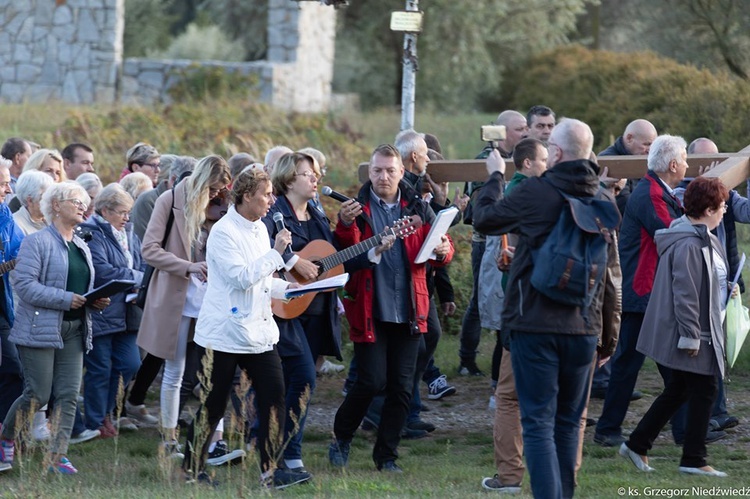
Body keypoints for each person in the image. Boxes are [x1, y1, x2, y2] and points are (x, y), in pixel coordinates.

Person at [473, 118, 620, 499]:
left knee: (537, 422)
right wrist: (608, 337)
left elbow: (486, 220)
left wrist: (494, 178)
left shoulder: (536, 193)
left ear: (555, 153)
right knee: (570, 424)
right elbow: (608, 277)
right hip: (584, 329)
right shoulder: (603, 201)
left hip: (534, 324)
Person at [181, 168, 310, 489]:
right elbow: (241, 277)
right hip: (224, 332)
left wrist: (289, 290)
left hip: (257, 332)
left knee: (274, 397)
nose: (271, 200)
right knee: (213, 404)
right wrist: (277, 254)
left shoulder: (260, 228)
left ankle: (270, 470)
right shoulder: (223, 232)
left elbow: (262, 279)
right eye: (266, 194)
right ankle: (191, 470)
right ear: (246, 195)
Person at [328, 144, 454, 473]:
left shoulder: (416, 205)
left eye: (389, 171)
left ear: (401, 173)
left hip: (411, 308)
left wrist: (443, 249)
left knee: (402, 387)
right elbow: (345, 249)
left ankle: (386, 455)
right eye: (377, 171)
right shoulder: (357, 207)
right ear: (369, 173)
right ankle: (341, 436)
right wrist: (343, 224)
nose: (383, 177)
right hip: (371, 309)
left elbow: (441, 245)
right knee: (369, 381)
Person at [619, 176, 729, 478]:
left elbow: (706, 281)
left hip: (700, 328)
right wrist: (691, 336)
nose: (725, 212)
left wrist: (726, 288)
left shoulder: (705, 237)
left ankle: (637, 443)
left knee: (680, 389)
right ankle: (693, 458)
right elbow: (685, 293)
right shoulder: (688, 244)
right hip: (692, 332)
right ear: (708, 209)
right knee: (704, 389)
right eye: (721, 206)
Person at [0, 182, 109, 474]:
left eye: (85, 202)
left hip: (75, 329)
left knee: (69, 394)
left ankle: (57, 455)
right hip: (39, 328)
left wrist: (93, 300)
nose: (83, 206)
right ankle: (6, 437)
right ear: (57, 205)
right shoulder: (35, 242)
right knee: (37, 394)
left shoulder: (82, 246)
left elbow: (80, 286)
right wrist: (66, 299)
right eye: (76, 201)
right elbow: (24, 285)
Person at [594, 134, 694, 448]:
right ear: (674, 164)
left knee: (641, 366)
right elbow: (671, 234)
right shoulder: (651, 193)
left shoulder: (656, 190)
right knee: (652, 366)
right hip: (645, 292)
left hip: (646, 292)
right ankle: (682, 432)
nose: (688, 165)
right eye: (686, 160)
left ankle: (613, 429)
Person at [136, 155, 231, 457]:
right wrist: (187, 266)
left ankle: (217, 439)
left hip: (210, 299)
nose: (217, 195)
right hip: (175, 297)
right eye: (214, 189)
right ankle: (169, 437)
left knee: (215, 371)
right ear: (202, 181)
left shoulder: (220, 205)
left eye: (221, 190)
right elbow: (149, 250)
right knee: (174, 371)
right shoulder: (169, 200)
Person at [262, 152, 347, 478]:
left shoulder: (316, 213)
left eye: (315, 174)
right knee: (297, 379)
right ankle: (278, 451)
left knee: (303, 384)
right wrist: (293, 261)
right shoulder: (275, 212)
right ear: (288, 178)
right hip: (283, 309)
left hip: (316, 310)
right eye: (307, 174)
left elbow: (329, 258)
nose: (315, 179)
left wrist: (372, 251)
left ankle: (288, 451)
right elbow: (265, 246)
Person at [480, 138, 548, 493]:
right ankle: (557, 476)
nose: (547, 165)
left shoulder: (525, 190)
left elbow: (487, 219)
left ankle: (509, 476)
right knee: (551, 401)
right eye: (543, 159)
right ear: (526, 164)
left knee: (511, 396)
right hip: (559, 314)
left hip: (523, 310)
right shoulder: (544, 191)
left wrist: (494, 178)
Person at [125, 155, 196, 426]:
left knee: (178, 357)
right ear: (174, 179)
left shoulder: (200, 205)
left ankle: (153, 407)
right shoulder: (155, 201)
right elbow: (148, 246)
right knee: (158, 351)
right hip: (165, 282)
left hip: (188, 285)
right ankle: (135, 403)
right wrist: (187, 264)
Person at [459, 110, 528, 377]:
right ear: (502, 132)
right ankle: (467, 358)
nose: (525, 133)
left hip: (512, 238)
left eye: (525, 128)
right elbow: (480, 211)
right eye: (519, 129)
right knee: (480, 300)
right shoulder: (485, 162)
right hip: (486, 242)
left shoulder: (518, 159)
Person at [79, 184, 144, 438]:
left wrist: (139, 280)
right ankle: (96, 421)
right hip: (101, 311)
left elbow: (141, 262)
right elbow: (102, 270)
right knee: (100, 368)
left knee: (130, 363)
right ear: (105, 211)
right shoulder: (90, 233)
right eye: (122, 212)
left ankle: (104, 412)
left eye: (129, 212)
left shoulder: (129, 233)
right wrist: (138, 277)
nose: (127, 218)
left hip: (128, 311)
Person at [0, 162, 25, 459]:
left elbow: (21, 247)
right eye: (4, 183)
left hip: (2, 306)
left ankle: (5, 435)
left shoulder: (4, 212)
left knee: (14, 369)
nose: (9, 189)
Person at [12, 171, 53, 236]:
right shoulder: (15, 226)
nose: (51, 201)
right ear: (30, 200)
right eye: (46, 196)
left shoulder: (52, 220)